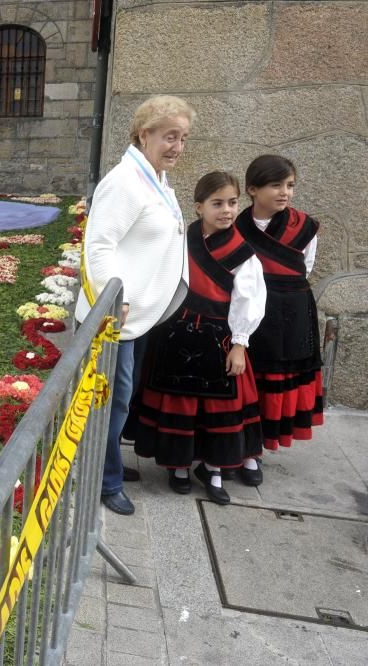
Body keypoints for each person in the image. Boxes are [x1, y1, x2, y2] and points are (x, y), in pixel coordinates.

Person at [76, 95, 195, 516]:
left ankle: (105, 464)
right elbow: (98, 246)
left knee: (119, 400)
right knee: (109, 400)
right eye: (169, 136)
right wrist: (113, 302)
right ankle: (103, 482)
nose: (178, 146)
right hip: (115, 320)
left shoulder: (154, 179)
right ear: (144, 135)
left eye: (182, 137)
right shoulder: (126, 182)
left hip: (137, 318)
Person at [134, 172, 266, 504]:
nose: (227, 210)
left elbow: (248, 299)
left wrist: (239, 343)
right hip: (175, 335)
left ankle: (214, 467)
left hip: (219, 337)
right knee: (179, 402)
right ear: (198, 207)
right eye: (217, 203)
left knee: (216, 407)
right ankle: (178, 465)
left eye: (233, 203)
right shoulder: (181, 240)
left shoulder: (243, 254)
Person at [235, 155, 324, 451]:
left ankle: (259, 448)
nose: (285, 192)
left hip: (290, 314)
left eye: (290, 185)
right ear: (252, 189)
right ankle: (238, 444)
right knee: (249, 378)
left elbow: (305, 268)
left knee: (276, 379)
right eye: (276, 185)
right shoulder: (237, 227)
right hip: (251, 314)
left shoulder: (305, 228)